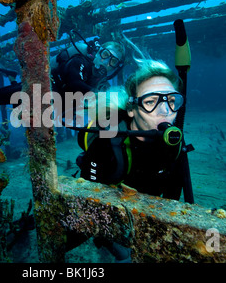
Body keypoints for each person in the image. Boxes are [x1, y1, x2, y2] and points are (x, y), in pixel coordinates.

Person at [73, 53, 194, 262]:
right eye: (151, 101)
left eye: (172, 100)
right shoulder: (108, 141)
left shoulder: (174, 144)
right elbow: (88, 194)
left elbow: (172, 202)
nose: (166, 111)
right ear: (131, 109)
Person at [0, 32, 126, 106]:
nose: (106, 61)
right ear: (98, 51)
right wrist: (98, 95)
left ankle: (10, 75)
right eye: (105, 54)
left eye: (113, 61)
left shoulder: (100, 81)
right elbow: (74, 83)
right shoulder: (79, 60)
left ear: (114, 67)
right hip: (40, 87)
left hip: (49, 100)